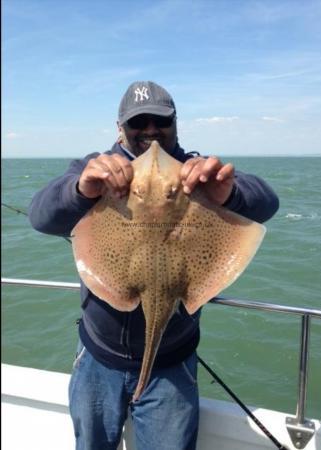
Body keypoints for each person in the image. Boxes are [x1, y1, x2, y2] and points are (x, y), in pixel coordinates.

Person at [29, 81, 279, 450]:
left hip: (172, 362)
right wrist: (81, 190)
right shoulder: (93, 168)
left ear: (176, 123)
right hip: (98, 357)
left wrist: (229, 193)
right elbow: (41, 215)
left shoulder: (195, 172)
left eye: (160, 121)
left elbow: (267, 202)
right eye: (138, 123)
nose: (150, 131)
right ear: (120, 128)